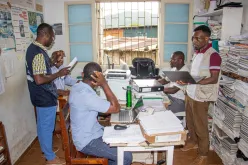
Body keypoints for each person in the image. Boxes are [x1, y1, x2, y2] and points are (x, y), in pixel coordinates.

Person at [69, 62, 132, 165]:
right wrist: (104, 84)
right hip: (87, 141)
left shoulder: (77, 87)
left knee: (121, 138)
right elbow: (116, 108)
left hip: (90, 132)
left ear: (82, 74)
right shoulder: (87, 96)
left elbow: (90, 109)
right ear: (97, 80)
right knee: (126, 156)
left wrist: (105, 113)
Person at [26, 23, 70, 165]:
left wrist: (54, 64)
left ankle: (47, 152)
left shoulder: (34, 49)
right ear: (45, 35)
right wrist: (58, 73)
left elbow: (41, 70)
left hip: (39, 96)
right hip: (44, 96)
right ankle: (50, 158)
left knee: (43, 126)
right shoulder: (38, 53)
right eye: (52, 36)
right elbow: (39, 79)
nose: (53, 40)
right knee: (46, 127)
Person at [179, 25, 221, 165]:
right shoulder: (197, 53)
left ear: (207, 38)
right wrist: (185, 80)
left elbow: (214, 78)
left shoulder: (213, 55)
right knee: (190, 122)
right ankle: (193, 142)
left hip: (201, 96)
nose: (194, 41)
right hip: (190, 93)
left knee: (200, 126)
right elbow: (194, 74)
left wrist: (194, 81)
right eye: (193, 38)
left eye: (198, 38)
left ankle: (203, 154)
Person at [159, 51, 189, 117]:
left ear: (180, 60)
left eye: (173, 59)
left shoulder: (185, 73)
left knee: (160, 110)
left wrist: (157, 89)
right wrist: (153, 83)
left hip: (179, 101)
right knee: (156, 103)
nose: (170, 61)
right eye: (171, 59)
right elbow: (165, 81)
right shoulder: (174, 69)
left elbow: (173, 90)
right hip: (171, 97)